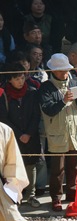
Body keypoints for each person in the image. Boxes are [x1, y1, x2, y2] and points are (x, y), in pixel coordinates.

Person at [38, 52, 77, 211]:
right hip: (58, 131)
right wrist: (64, 101)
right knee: (57, 169)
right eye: (61, 70)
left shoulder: (75, 82)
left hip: (74, 130)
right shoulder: (46, 87)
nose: (65, 73)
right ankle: (56, 197)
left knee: (74, 166)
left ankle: (72, 192)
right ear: (53, 71)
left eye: (66, 69)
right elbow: (48, 110)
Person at [0, 62, 42, 208]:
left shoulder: (31, 92)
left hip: (31, 136)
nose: (20, 81)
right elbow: (3, 118)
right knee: (13, 166)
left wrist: (29, 133)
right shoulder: (4, 95)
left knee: (31, 165)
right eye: (17, 78)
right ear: (10, 79)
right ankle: (16, 196)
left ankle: (31, 195)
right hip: (12, 136)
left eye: (22, 78)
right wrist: (19, 134)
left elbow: (36, 115)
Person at [0, 121, 37, 221]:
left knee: (13, 214)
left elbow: (12, 159)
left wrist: (10, 181)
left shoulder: (4, 130)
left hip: (1, 181)